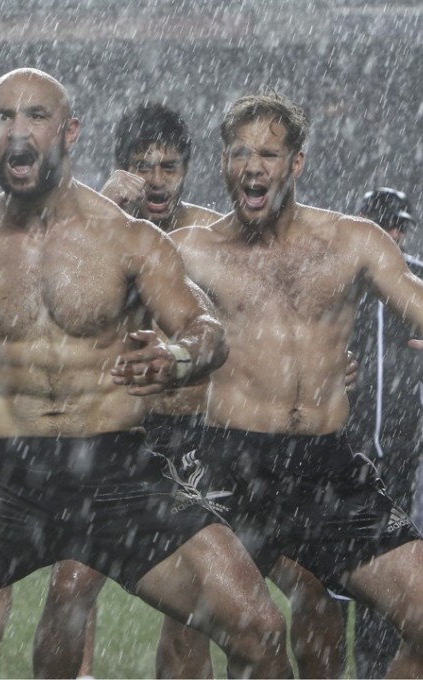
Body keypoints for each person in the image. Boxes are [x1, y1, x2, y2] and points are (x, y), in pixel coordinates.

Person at [0, 67, 293, 680]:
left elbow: (207, 332)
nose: (18, 132)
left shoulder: (129, 239)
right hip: (4, 479)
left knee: (259, 632)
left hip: (117, 473)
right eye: (2, 118)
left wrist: (175, 359)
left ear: (69, 132)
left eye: (35, 117)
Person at [161, 90, 423, 679]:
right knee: (216, 633)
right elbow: (116, 315)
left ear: (296, 163)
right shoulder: (192, 251)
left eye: (268, 154)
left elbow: (415, 302)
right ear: (224, 164)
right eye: (238, 153)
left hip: (325, 467)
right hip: (228, 462)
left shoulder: (353, 241)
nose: (252, 167)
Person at [0, 101, 222, 679]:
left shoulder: (211, 233)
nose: (156, 180)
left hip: (190, 436)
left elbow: (234, 327)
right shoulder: (94, 224)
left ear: (188, 169)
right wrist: (105, 205)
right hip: (108, 430)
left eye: (169, 166)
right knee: (71, 584)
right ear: (121, 166)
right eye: (144, 165)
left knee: (192, 612)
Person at [345, 187, 423, 678]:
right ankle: (367, 667)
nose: (395, 234)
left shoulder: (415, 277)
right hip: (349, 455)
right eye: (386, 224)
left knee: (405, 576)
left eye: (400, 225)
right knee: (355, 580)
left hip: (408, 454)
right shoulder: (342, 275)